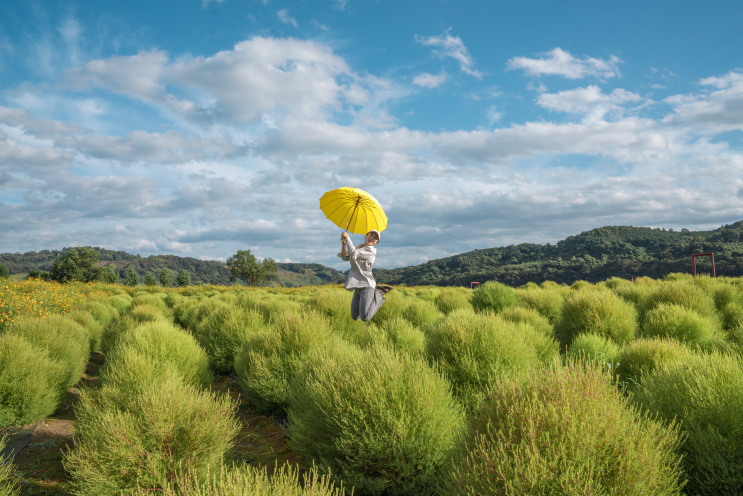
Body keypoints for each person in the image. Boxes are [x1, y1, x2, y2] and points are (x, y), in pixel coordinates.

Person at [338, 229, 392, 321]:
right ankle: (376, 293)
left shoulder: (371, 251)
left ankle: (379, 293)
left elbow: (353, 253)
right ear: (366, 236)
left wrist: (347, 238)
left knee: (365, 317)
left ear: (376, 243)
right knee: (355, 316)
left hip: (367, 285)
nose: (372, 238)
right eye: (371, 235)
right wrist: (343, 243)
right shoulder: (359, 247)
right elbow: (345, 257)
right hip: (357, 285)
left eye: (375, 238)